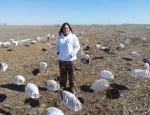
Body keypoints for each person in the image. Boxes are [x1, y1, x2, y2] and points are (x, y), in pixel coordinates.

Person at [55, 22, 80, 94]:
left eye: (67, 28)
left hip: (70, 60)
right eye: (64, 28)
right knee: (62, 74)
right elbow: (57, 46)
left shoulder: (73, 37)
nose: (65, 29)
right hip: (62, 59)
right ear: (62, 29)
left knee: (72, 74)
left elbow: (77, 46)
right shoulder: (60, 37)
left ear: (69, 29)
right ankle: (62, 86)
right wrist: (58, 52)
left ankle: (72, 87)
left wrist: (72, 54)